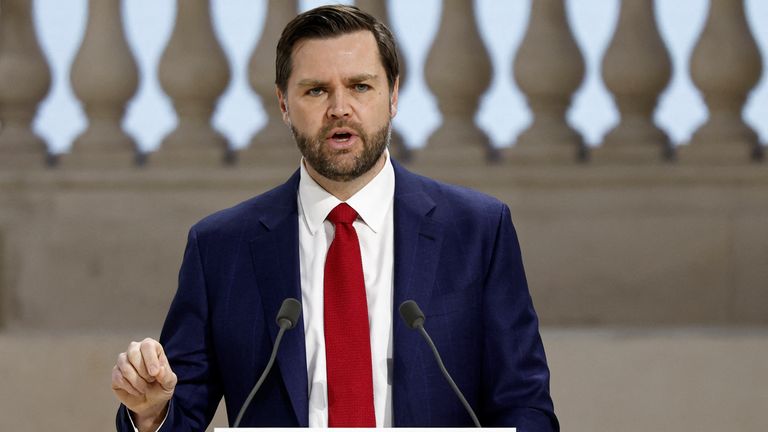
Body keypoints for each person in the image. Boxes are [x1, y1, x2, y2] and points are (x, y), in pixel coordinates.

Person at [111, 5, 558, 431]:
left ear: (394, 95)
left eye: (360, 86)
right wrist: (151, 415)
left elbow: (524, 403)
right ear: (284, 105)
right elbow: (178, 412)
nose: (340, 108)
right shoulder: (220, 248)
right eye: (316, 90)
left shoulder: (478, 231)